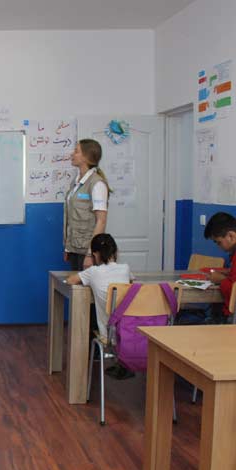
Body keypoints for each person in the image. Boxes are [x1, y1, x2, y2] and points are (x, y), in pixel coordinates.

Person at [66, 234, 131, 339]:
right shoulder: (125, 269)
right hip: (127, 332)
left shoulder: (93, 271)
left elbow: (70, 280)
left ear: (95, 255)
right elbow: (132, 279)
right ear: (115, 252)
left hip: (107, 334)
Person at [64, 139, 110, 271]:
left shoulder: (97, 184)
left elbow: (101, 221)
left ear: (86, 157)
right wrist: (68, 247)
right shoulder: (76, 182)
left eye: (76, 151)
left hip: (88, 251)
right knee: (76, 290)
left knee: (86, 291)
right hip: (75, 249)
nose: (72, 154)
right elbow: (72, 217)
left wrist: (91, 254)